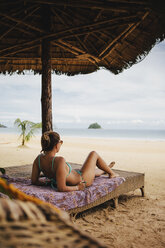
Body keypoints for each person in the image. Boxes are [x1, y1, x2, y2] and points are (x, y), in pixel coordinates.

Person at [31, 131, 119, 192]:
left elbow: (34, 181)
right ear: (57, 145)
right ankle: (111, 173)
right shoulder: (59, 161)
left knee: (92, 171)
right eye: (60, 143)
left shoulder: (38, 159)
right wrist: (78, 187)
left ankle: (105, 169)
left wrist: (48, 182)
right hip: (83, 179)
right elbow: (61, 188)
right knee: (93, 154)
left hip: (77, 174)